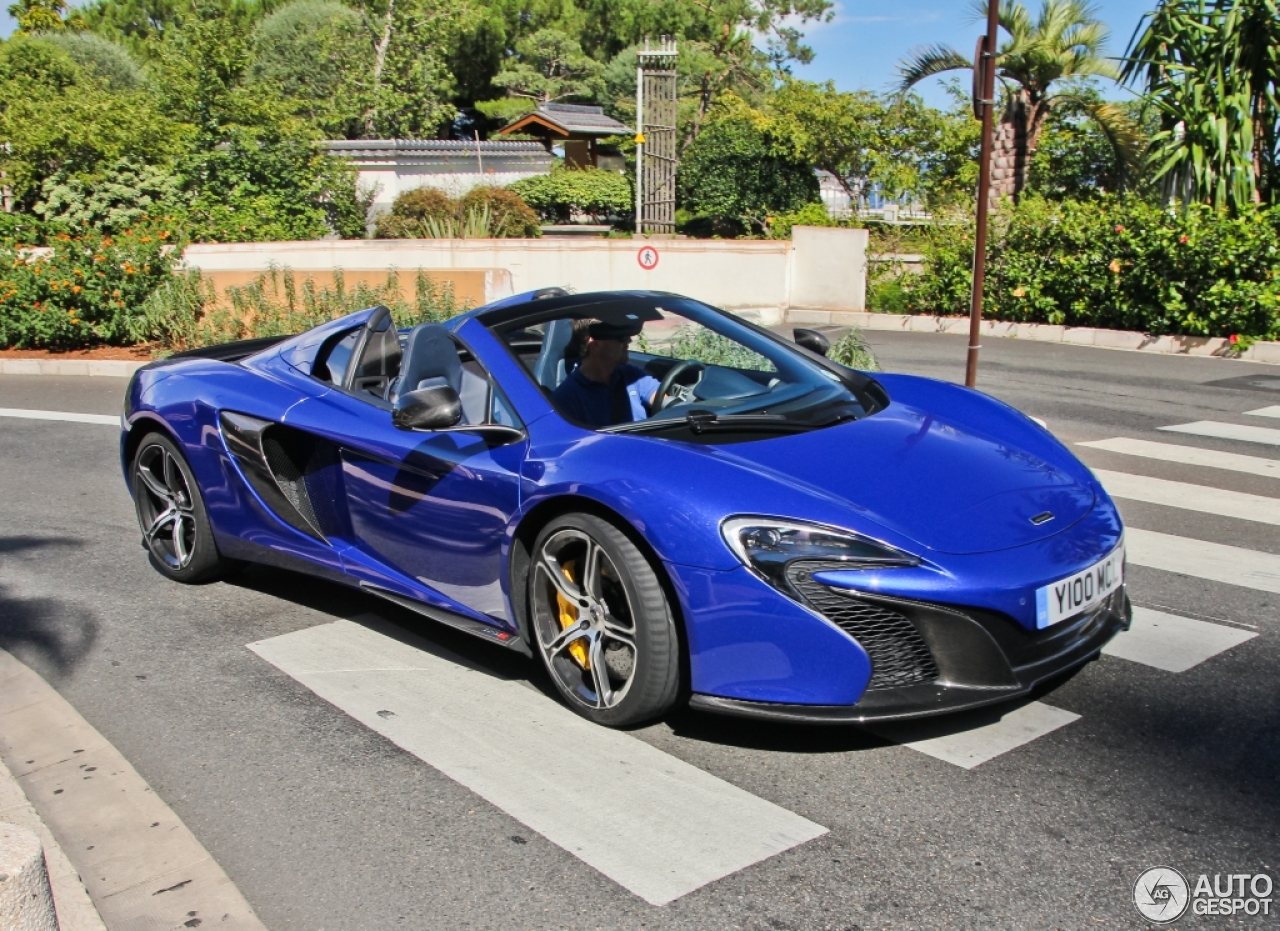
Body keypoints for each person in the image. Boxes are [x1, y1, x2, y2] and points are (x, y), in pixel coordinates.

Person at [551, 319, 661, 428]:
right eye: (621, 337)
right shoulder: (566, 398)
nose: (629, 341)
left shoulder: (632, 375)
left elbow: (667, 402)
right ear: (595, 343)